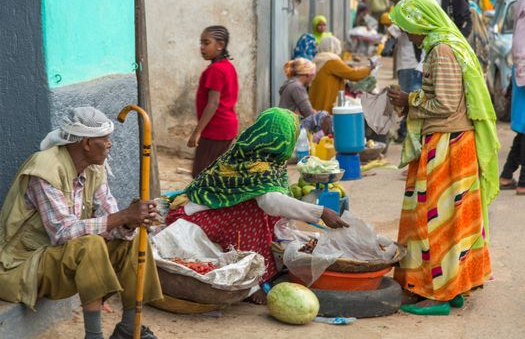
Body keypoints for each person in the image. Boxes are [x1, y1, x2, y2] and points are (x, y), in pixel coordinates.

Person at [0, 107, 163, 339]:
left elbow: (112, 218)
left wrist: (131, 223)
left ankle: (129, 327)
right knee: (90, 244)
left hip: (61, 257)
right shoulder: (44, 169)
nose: (110, 145)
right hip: (24, 264)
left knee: (135, 240)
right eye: (105, 139)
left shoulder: (95, 169)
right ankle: (93, 336)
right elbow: (64, 233)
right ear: (86, 143)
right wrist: (124, 216)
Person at [165, 108, 348, 305]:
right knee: (253, 212)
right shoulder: (255, 161)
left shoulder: (262, 152)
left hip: (220, 210)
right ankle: (253, 283)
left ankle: (264, 263)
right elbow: (270, 202)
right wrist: (320, 212)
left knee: (264, 212)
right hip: (202, 215)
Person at [387, 0, 499, 315]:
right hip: (449, 139)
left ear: (422, 23)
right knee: (452, 220)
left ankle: (438, 295)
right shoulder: (444, 44)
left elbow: (446, 104)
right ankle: (453, 287)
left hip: (448, 142)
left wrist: (410, 100)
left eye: (408, 29)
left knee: (434, 220)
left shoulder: (442, 50)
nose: (408, 35)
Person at [188, 25, 239, 178]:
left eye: (206, 43)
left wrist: (197, 133)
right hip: (226, 127)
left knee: (201, 174)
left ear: (220, 45)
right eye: (201, 43)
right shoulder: (227, 67)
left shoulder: (215, 70)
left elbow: (213, 103)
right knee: (215, 173)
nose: (202, 47)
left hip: (216, 130)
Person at [385, 0, 423, 143]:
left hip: (411, 62)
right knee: (405, 98)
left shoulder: (411, 1)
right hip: (405, 61)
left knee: (409, 97)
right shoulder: (402, 3)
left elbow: (402, 24)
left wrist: (391, 38)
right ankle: (405, 131)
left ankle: (409, 133)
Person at [500, 0, 525, 195]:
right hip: (523, 74)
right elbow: (520, 46)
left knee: (523, 130)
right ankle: (523, 182)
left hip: (520, 73)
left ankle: (507, 175)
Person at [309, 36, 372, 114]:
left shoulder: (319, 58)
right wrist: (370, 69)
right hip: (326, 105)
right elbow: (353, 75)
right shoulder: (331, 60)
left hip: (317, 102)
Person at [279, 58, 332, 137]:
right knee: (322, 116)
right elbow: (308, 113)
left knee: (321, 116)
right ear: (307, 75)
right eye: (312, 76)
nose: (312, 79)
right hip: (291, 128)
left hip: (286, 125)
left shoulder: (291, 84)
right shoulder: (297, 87)